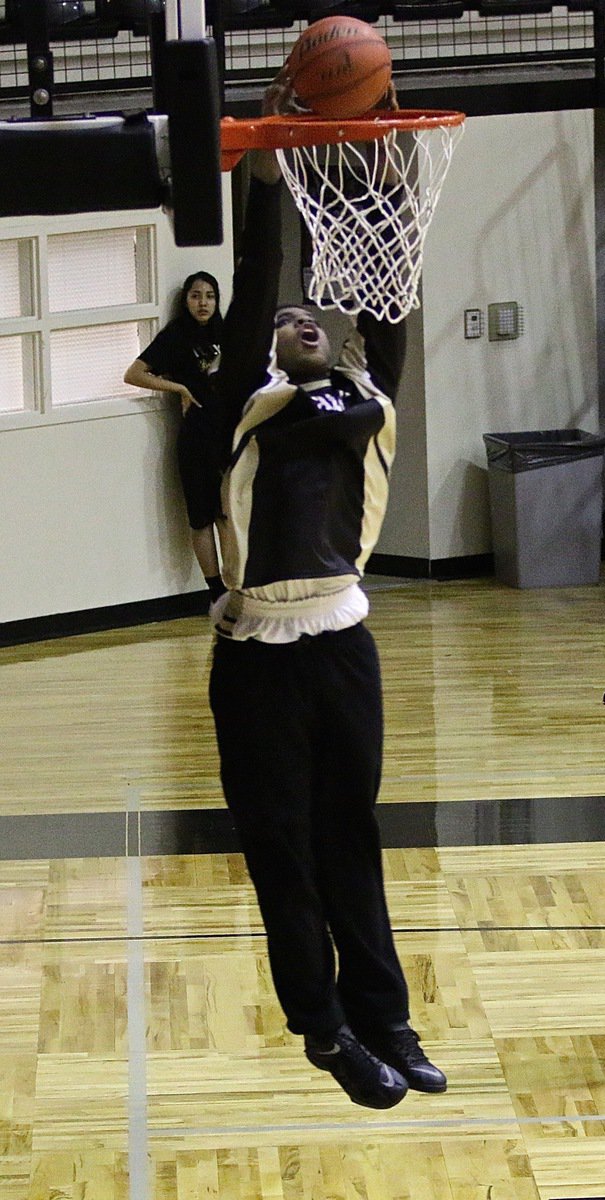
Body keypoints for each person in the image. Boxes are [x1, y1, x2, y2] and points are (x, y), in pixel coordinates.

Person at [209, 76, 447, 1110]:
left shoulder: (368, 398)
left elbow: (387, 293)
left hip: (342, 646)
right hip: (255, 656)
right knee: (283, 848)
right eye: (286, 317)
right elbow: (264, 271)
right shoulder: (243, 406)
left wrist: (382, 164)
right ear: (268, 342)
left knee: (350, 833)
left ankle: (385, 1013)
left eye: (318, 312)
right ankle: (323, 1027)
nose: (302, 314)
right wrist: (266, 161)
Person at [124, 271, 226, 604]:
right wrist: (178, 387)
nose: (203, 303)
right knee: (201, 517)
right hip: (195, 437)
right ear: (186, 300)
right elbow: (134, 373)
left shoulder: (227, 333)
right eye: (196, 295)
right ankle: (216, 592)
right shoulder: (176, 336)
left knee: (228, 514)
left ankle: (238, 587)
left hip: (228, 435)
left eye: (209, 295)